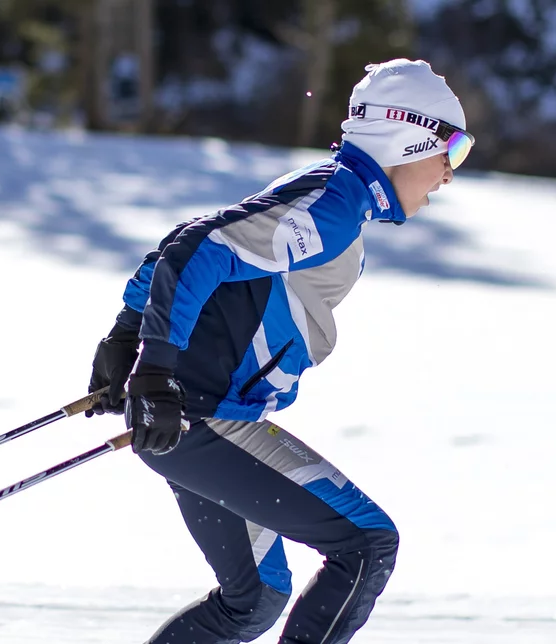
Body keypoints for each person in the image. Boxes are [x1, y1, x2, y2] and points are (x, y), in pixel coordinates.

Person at [85, 59, 473, 643]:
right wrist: (152, 369)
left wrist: (127, 338)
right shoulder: (334, 205)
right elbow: (199, 245)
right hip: (201, 417)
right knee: (367, 544)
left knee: (255, 600)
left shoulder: (329, 190)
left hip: (192, 414)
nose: (448, 175)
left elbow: (192, 241)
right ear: (411, 137)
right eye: (453, 152)